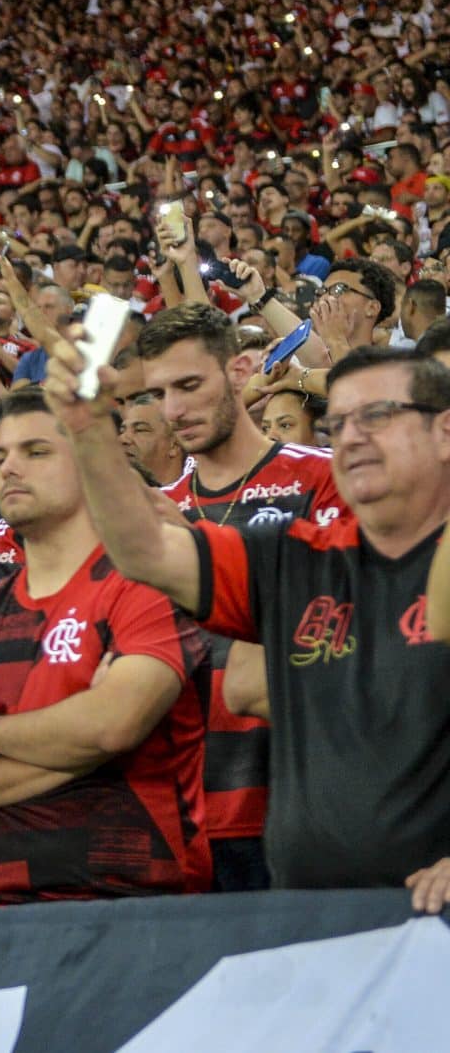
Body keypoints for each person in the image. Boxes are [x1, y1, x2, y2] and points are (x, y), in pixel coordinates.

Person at [46, 343, 450, 909]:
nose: (351, 436)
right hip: (304, 922)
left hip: (433, 932)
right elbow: (143, 551)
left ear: (444, 433)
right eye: (338, 423)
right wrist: (88, 430)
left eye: (377, 416)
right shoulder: (292, 556)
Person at [0, 388, 212, 905]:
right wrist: (82, 741)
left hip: (136, 910)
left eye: (37, 452)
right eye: (0, 456)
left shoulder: (149, 586)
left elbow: (114, 723)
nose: (10, 468)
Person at [136, 302, 345, 893]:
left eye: (189, 385)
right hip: (181, 816)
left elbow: (343, 633)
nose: (174, 409)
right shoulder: (157, 510)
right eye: (160, 393)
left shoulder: (321, 477)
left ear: (240, 371)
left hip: (300, 803)